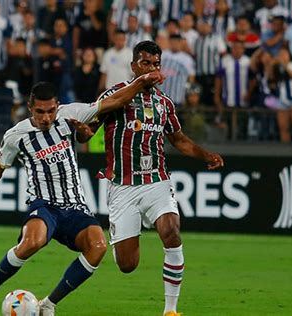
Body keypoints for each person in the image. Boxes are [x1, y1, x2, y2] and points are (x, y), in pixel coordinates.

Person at [0, 72, 164, 316]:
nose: (46, 117)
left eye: (51, 111)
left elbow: (114, 102)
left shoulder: (70, 114)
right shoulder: (15, 136)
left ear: (57, 105)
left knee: (98, 246)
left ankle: (48, 304)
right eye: (40, 112)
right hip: (43, 205)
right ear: (30, 107)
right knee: (33, 241)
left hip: (75, 206)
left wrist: (141, 82)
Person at [90, 40, 224, 316]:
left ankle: (171, 310)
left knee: (171, 230)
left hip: (156, 182)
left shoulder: (164, 103)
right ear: (133, 66)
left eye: (155, 64)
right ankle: (121, 235)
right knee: (127, 265)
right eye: (145, 63)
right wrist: (78, 129)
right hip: (123, 187)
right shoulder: (115, 96)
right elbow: (88, 130)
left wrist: (205, 154)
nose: (151, 69)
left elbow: (178, 139)